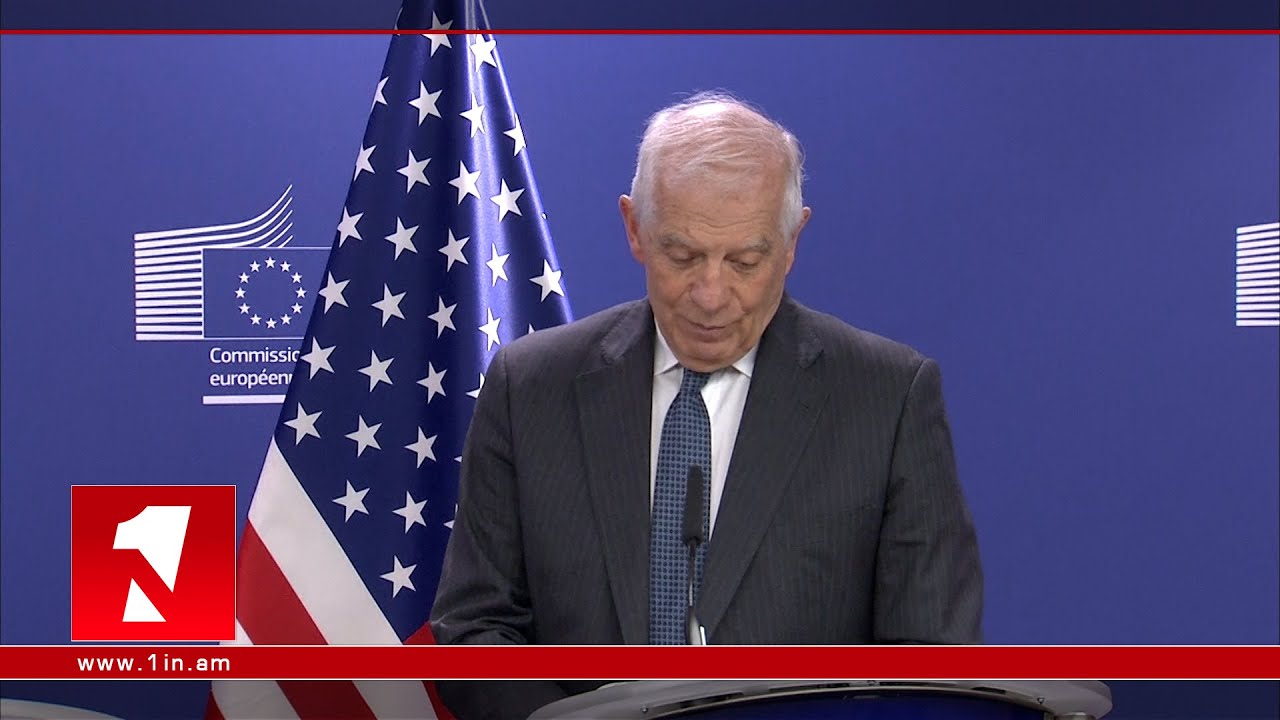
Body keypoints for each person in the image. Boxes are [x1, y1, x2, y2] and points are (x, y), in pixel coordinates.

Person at [429, 91, 983, 720]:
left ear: (792, 241)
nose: (712, 295)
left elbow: (929, 662)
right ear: (634, 228)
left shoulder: (888, 398)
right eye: (683, 255)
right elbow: (475, 628)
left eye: (745, 261)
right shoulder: (530, 386)